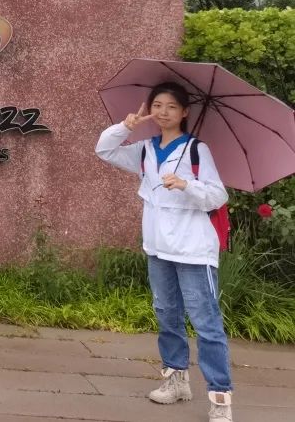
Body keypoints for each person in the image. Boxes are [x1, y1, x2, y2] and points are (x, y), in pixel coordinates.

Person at [96, 81, 234, 421]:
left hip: (193, 250)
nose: (163, 112)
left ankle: (220, 398)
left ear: (184, 112)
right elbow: (105, 150)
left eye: (171, 106)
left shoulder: (197, 150)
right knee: (167, 315)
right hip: (158, 247)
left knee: (206, 323)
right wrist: (125, 127)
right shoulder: (145, 149)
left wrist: (187, 185)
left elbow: (218, 195)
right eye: (157, 105)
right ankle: (176, 380)